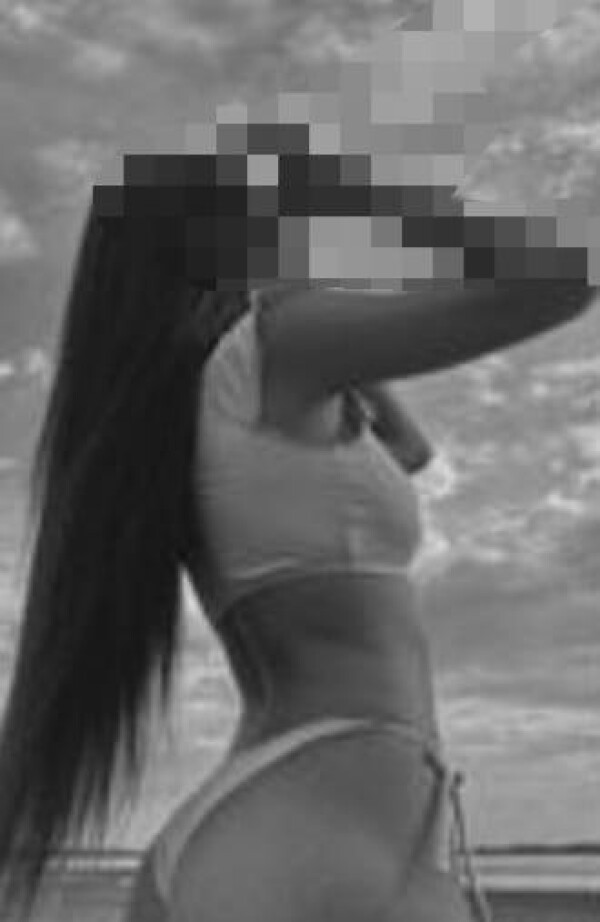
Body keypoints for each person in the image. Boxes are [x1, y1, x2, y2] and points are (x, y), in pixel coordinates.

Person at [0, 167, 596, 922]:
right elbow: (565, 275)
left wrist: (305, 297)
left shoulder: (208, 394)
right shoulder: (274, 349)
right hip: (330, 811)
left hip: (266, 816)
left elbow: (409, 451)